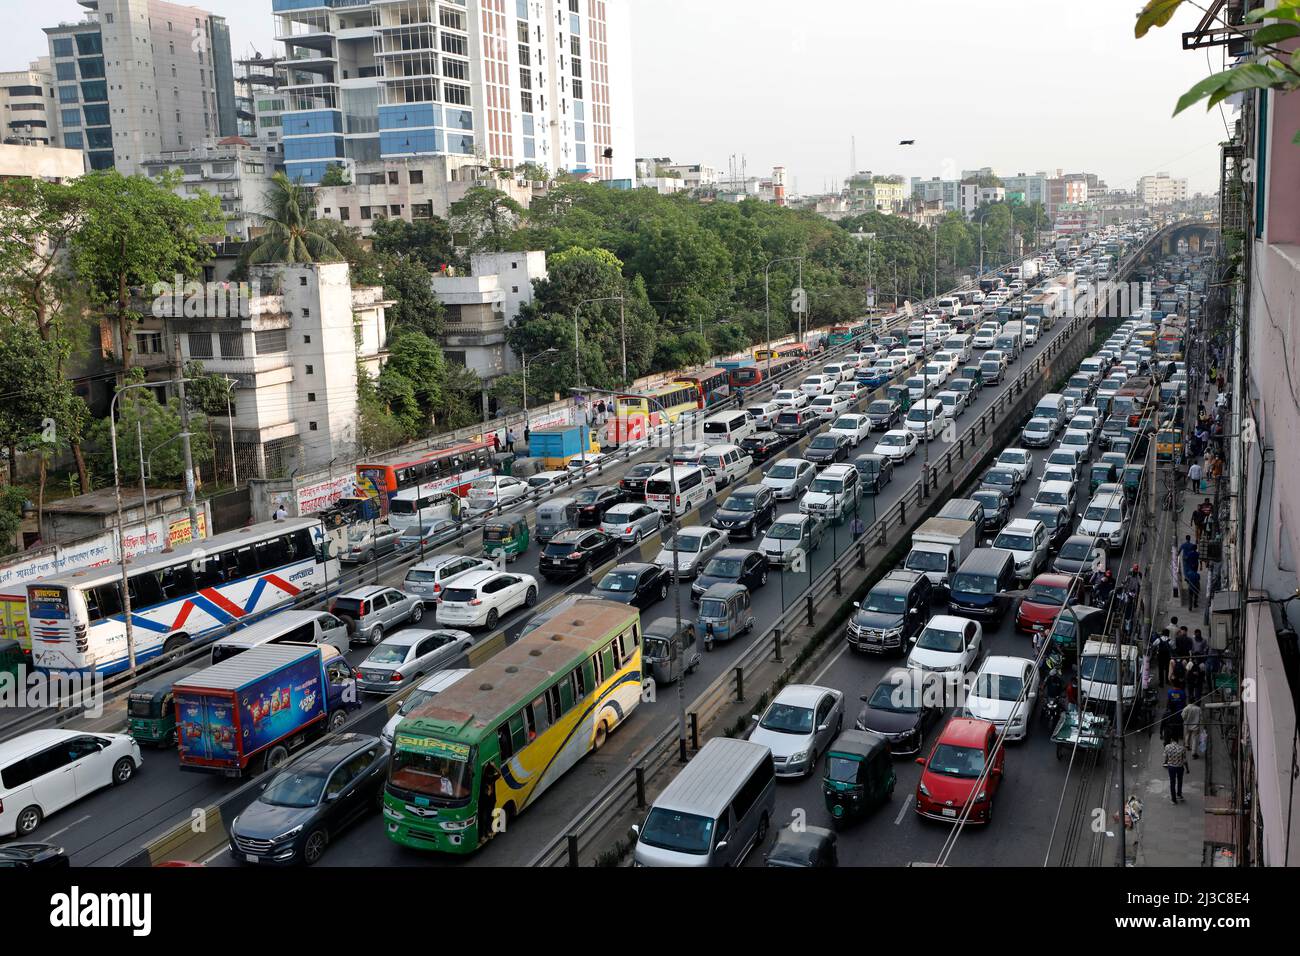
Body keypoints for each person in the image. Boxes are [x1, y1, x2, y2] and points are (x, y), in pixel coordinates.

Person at [477, 762, 501, 844]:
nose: (490, 776)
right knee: (482, 819)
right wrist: (489, 767)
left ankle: (489, 832)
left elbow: (499, 774)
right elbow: (483, 774)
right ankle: (482, 836)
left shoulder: (492, 778)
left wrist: (494, 767)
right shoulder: (484, 779)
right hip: (483, 802)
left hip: (491, 801)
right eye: (489, 775)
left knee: (490, 817)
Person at [1164, 736, 1189, 803]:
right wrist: (1187, 769)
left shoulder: (1167, 747)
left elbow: (1166, 758)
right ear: (1177, 741)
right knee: (1180, 781)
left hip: (1171, 767)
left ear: (1171, 739)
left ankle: (1174, 799)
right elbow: (1185, 760)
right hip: (1180, 767)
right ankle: (1179, 794)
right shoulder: (1182, 748)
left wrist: (1166, 762)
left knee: (1172, 782)